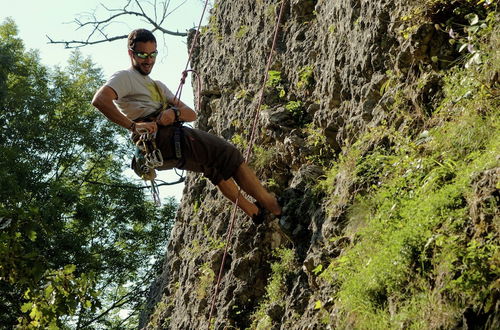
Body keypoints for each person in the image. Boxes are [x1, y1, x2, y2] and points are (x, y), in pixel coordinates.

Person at [91, 28, 281, 223]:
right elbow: (100, 100)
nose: (148, 60)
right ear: (131, 53)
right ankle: (272, 204)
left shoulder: (157, 85)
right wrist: (133, 126)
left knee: (213, 168)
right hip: (162, 139)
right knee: (228, 154)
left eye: (152, 54)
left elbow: (191, 114)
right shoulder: (125, 77)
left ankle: (254, 212)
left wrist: (173, 113)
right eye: (141, 55)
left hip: (164, 146)